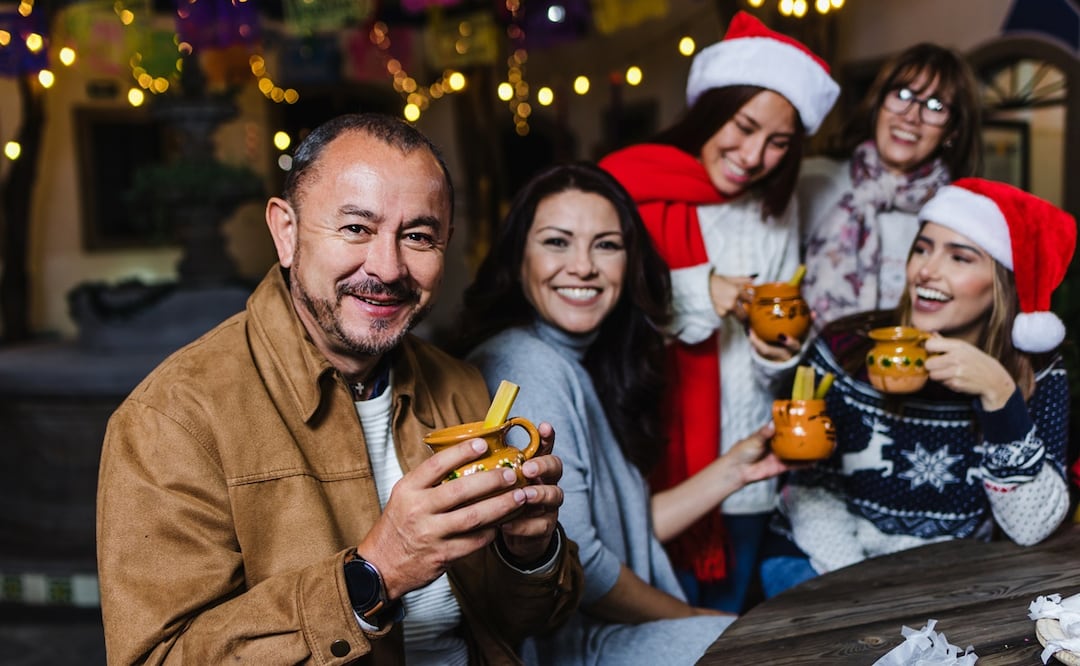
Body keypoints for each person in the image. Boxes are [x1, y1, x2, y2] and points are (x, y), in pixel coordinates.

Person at [96, 113, 583, 664]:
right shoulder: (172, 419)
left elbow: (527, 622)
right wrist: (373, 575)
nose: (388, 268)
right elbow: (156, 659)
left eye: (418, 236)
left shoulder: (460, 386)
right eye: (356, 228)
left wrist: (529, 552)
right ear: (286, 232)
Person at [459, 162, 791, 664]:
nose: (583, 266)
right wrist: (693, 619)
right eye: (557, 242)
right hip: (575, 648)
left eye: (606, 245)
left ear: (629, 261)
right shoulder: (526, 363)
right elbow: (585, 562)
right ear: (518, 256)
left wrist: (734, 471)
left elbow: (624, 530)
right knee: (769, 644)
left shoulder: (579, 360)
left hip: (602, 637)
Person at [598, 10, 840, 613]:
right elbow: (599, 317)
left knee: (728, 625)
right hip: (650, 453)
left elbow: (776, 341)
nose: (754, 155)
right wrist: (700, 292)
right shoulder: (626, 182)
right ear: (712, 108)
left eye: (779, 142)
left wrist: (776, 348)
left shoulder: (774, 206)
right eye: (744, 125)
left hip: (746, 459)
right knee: (647, 623)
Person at [760, 178, 1075, 597]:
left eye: (959, 258)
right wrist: (865, 592)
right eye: (922, 249)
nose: (926, 270)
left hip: (952, 576)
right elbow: (811, 493)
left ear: (1002, 281)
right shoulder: (844, 348)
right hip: (823, 561)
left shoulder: (1035, 371)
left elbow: (1031, 527)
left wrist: (1000, 398)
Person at [801, 42, 982, 327]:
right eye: (903, 94)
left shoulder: (957, 216)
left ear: (953, 131)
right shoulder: (812, 182)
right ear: (878, 103)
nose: (911, 116)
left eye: (935, 106)